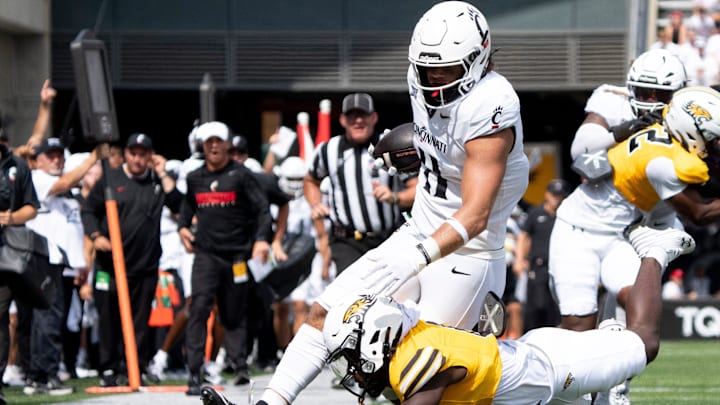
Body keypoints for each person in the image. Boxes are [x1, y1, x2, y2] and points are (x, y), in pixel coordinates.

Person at [243, 3, 529, 405]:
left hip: (468, 253)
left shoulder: (492, 103)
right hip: (418, 230)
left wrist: (417, 256)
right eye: (427, 70)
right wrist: (419, 152)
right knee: (325, 314)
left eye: (446, 70)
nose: (434, 80)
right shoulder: (420, 81)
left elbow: (476, 213)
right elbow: (442, 138)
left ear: (479, 57)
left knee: (415, 370)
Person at [202, 225, 697, 405]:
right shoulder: (406, 334)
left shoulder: (417, 363)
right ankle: (603, 358)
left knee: (645, 342)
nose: (349, 366)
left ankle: (651, 252)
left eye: (351, 353)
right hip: (524, 364)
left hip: (552, 372)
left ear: (374, 343)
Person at [555, 85, 720, 404]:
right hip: (578, 232)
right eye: (713, 139)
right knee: (578, 327)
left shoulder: (671, 138)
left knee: (640, 319)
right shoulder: (663, 161)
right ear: (690, 131)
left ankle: (613, 372)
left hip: (620, 235)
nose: (716, 146)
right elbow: (699, 213)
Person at [177, 121, 273, 395]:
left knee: (234, 312)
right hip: (206, 255)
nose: (214, 146)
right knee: (198, 310)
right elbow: (186, 211)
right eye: (209, 142)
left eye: (219, 141)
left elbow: (262, 209)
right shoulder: (195, 178)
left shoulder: (241, 175)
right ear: (203, 147)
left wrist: (262, 240)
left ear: (228, 144)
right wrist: (183, 229)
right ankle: (194, 372)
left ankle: (239, 366)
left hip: (237, 256)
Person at [81, 133, 182, 387]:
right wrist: (95, 235)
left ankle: (133, 367)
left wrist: (162, 172)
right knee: (108, 318)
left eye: (143, 154)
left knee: (139, 322)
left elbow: (179, 205)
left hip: (143, 266)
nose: (138, 159)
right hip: (109, 265)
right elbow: (87, 209)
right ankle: (107, 368)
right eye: (133, 153)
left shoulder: (156, 182)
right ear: (125, 154)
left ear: (151, 156)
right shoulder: (111, 179)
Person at [22, 138, 108, 395]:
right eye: (50, 155)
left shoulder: (69, 193)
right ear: (37, 160)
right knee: (48, 318)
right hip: (44, 261)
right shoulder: (37, 178)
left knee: (57, 319)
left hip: (64, 265)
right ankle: (43, 375)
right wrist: (93, 158)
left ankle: (44, 373)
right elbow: (65, 182)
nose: (56, 159)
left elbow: (73, 226)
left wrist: (81, 263)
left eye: (59, 155)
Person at [306, 92, 417, 274]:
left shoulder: (389, 146)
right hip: (346, 242)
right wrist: (315, 204)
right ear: (342, 120)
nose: (358, 121)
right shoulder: (328, 150)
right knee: (352, 295)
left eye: (363, 115)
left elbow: (417, 187)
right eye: (352, 115)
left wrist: (394, 197)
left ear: (374, 118)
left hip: (388, 239)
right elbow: (310, 180)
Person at [0, 141, 39, 405]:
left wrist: (9, 218)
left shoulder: (17, 166)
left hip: (5, 256)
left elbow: (31, 208)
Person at [514, 179, 568, 332]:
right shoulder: (536, 213)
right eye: (554, 195)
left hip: (560, 267)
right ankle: (531, 337)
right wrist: (519, 259)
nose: (557, 198)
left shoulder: (566, 216)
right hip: (538, 267)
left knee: (556, 307)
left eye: (560, 195)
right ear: (547, 194)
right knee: (537, 306)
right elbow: (524, 237)